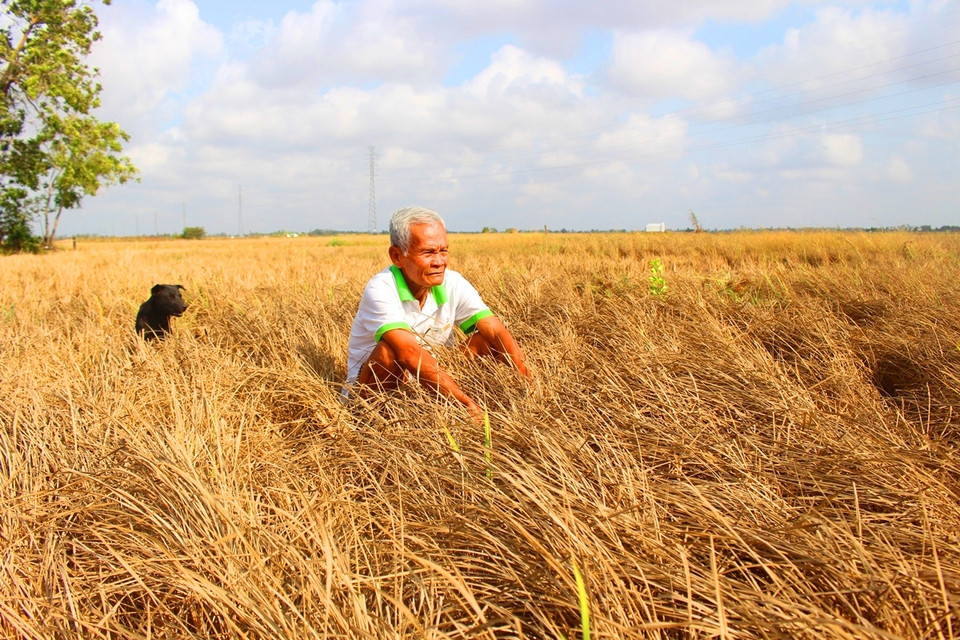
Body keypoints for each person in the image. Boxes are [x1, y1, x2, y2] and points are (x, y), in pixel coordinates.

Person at [344, 206, 530, 419]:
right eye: (428, 252)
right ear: (397, 256)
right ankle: (374, 421)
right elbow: (408, 353)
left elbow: (494, 328)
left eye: (443, 251)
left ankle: (439, 407)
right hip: (379, 390)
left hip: (431, 383)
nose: (439, 262)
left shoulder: (452, 282)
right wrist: (464, 405)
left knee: (487, 340)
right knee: (390, 351)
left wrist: (527, 380)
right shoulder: (381, 288)